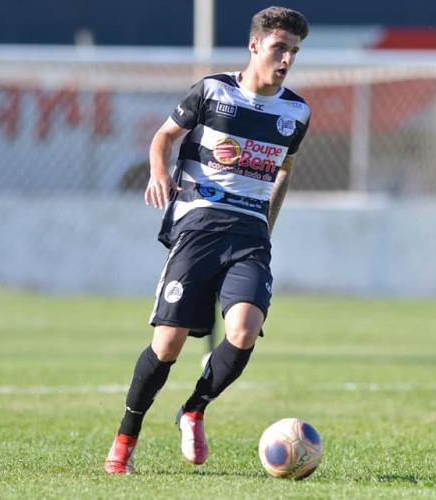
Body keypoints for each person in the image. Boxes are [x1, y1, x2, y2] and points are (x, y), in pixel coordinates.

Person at [104, 6, 310, 474]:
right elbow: (164, 136)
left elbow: (285, 170)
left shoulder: (297, 111)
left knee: (243, 331)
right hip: (199, 226)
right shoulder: (213, 91)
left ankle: (194, 409)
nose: (287, 59)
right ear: (254, 45)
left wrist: (266, 226)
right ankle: (125, 440)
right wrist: (159, 172)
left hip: (250, 233)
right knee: (167, 346)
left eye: (294, 51)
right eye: (280, 48)